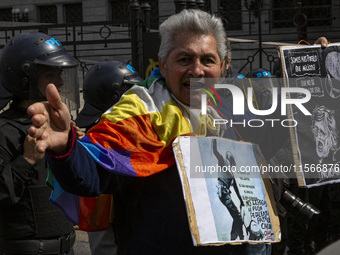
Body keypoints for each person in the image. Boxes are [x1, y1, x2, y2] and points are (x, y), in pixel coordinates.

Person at [26, 10, 328, 255]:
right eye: (185, 59)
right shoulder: (141, 114)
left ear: (223, 67)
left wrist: (320, 72)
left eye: (207, 60)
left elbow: (298, 130)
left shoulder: (236, 106)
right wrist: (65, 145)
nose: (197, 71)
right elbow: (90, 174)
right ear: (163, 64)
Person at [0, 32, 79, 254]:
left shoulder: (59, 125)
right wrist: (27, 160)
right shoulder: (6, 132)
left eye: (61, 73)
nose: (61, 81)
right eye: (50, 74)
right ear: (25, 79)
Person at [75, 60, 143, 255]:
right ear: (115, 96)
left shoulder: (134, 127)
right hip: (111, 228)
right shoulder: (98, 138)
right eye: (130, 91)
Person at [213, 138, 245, 241]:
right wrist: (214, 140)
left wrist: (242, 200)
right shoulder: (223, 162)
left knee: (237, 216)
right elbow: (216, 152)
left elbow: (236, 188)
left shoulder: (232, 173)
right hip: (222, 191)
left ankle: (236, 236)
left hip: (224, 192)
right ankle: (237, 237)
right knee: (237, 216)